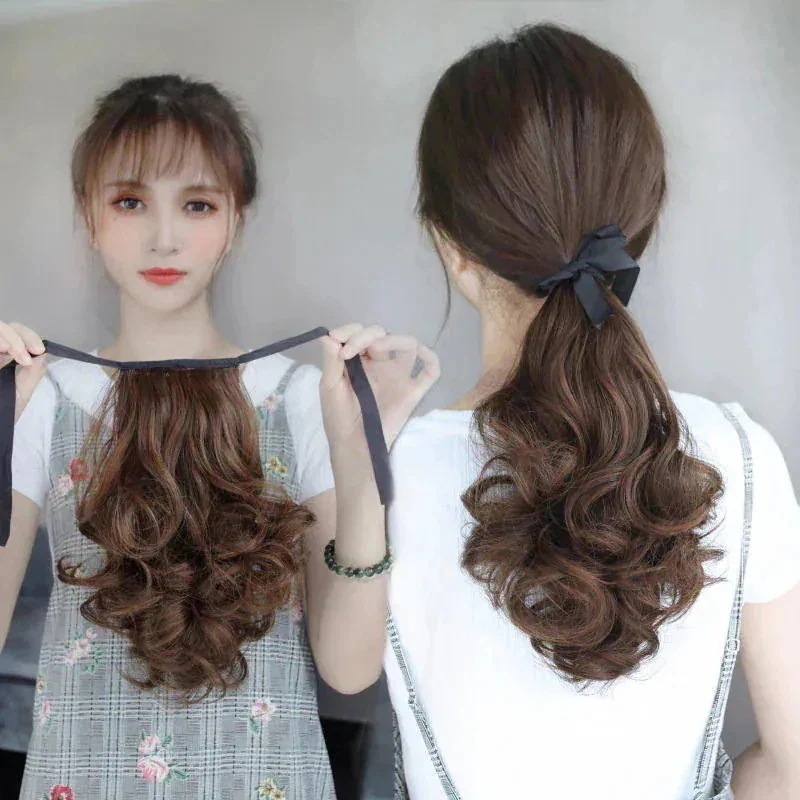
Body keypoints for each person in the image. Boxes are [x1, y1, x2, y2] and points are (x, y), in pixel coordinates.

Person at [383, 23, 800, 800]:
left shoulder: (382, 475)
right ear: (641, 222)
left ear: (449, 243)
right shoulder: (737, 453)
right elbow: (792, 763)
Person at [0, 73, 438, 799]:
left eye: (197, 204)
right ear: (89, 215)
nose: (164, 237)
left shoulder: (304, 399)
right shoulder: (43, 399)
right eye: (130, 201)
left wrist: (361, 456)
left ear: (236, 220)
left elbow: (350, 668)